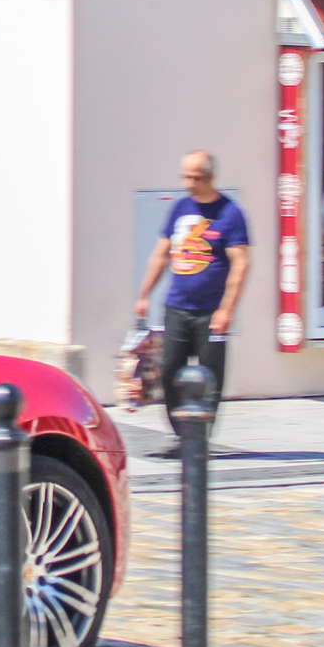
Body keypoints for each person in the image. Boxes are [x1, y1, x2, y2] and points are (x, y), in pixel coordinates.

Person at [133, 151, 251, 440]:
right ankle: (182, 436)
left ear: (211, 178)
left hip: (210, 313)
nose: (189, 183)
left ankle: (202, 438)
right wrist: (144, 294)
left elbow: (241, 263)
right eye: (185, 176)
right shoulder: (179, 208)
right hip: (177, 307)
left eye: (196, 178)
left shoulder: (230, 213)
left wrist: (226, 309)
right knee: (169, 371)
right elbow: (161, 254)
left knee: (210, 378)